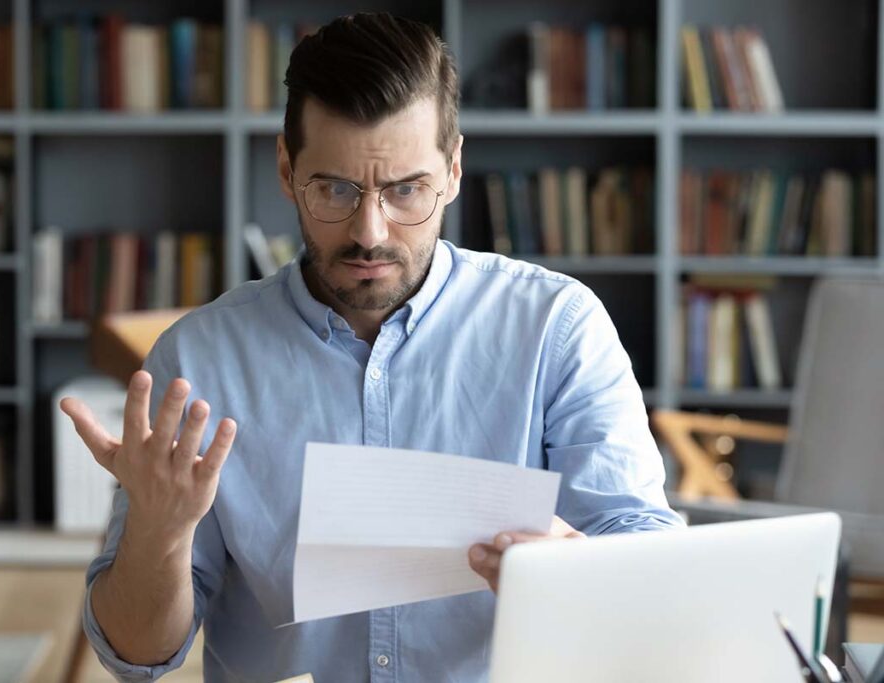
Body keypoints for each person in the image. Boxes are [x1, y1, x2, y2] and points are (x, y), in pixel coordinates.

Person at [60, 12, 684, 683]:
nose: (369, 232)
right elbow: (137, 655)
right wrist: (161, 530)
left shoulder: (557, 328)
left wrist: (580, 567)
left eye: (406, 189)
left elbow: (652, 564)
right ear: (285, 169)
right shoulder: (198, 361)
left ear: (453, 169)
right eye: (335, 189)